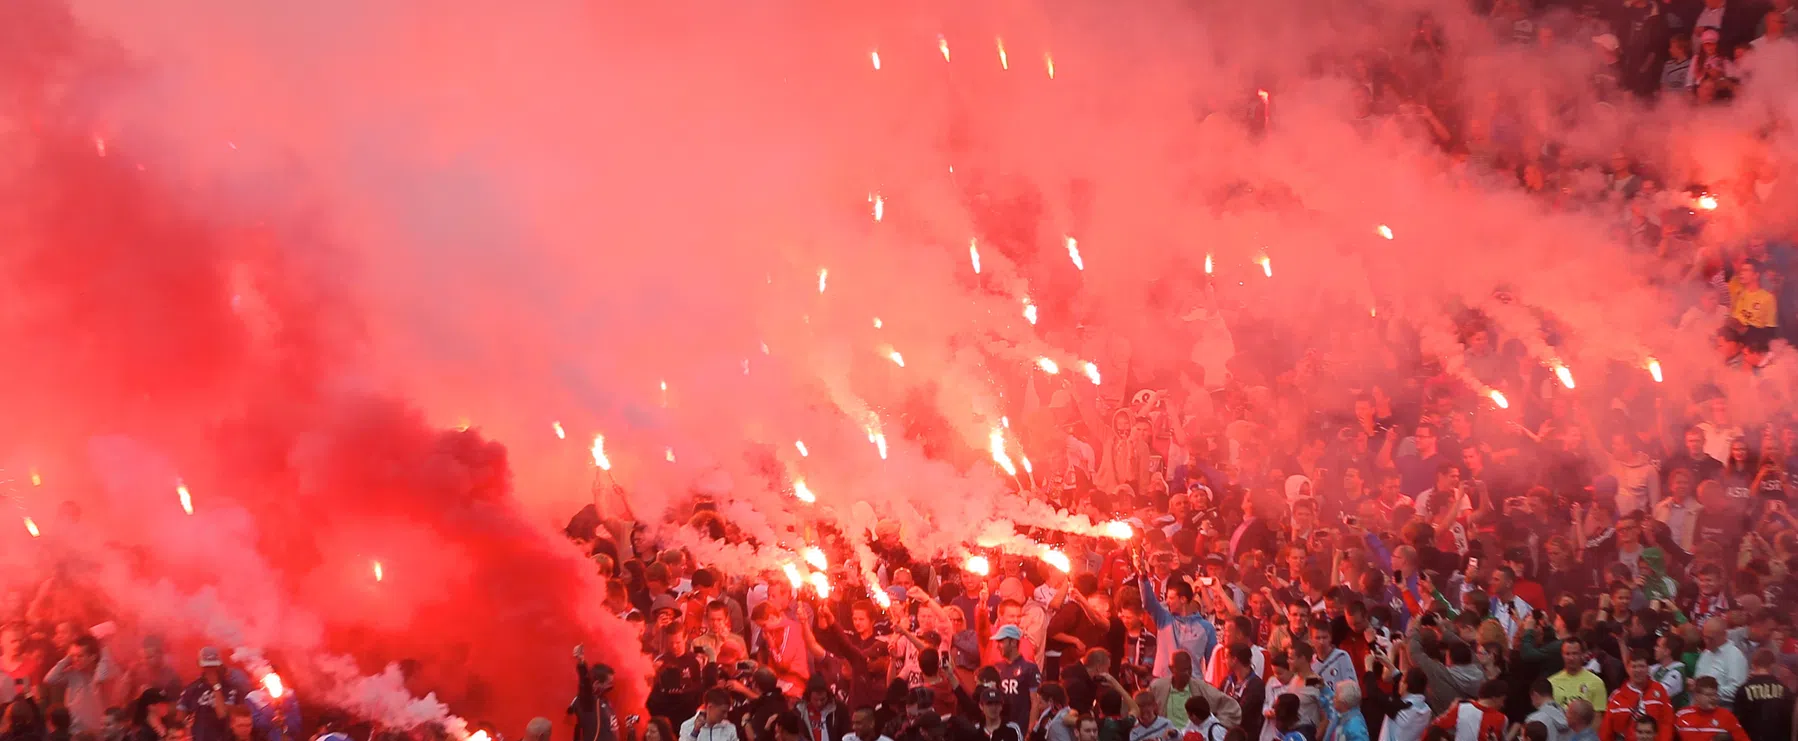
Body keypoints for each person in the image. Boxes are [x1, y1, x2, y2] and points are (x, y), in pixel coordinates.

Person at [42, 635, 114, 735]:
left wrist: (103, 649)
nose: (75, 659)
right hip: (74, 730)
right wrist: (67, 658)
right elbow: (49, 679)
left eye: (80, 656)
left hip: (96, 732)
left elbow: (100, 678)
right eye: (73, 656)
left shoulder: (102, 672)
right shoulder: (72, 673)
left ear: (92, 657)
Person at [179, 647, 247, 741]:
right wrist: (188, 727)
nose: (210, 670)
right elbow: (180, 716)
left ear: (220, 665)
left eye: (213, 666)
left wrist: (216, 686)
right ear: (200, 665)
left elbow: (222, 714)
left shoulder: (230, 688)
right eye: (207, 667)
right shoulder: (191, 689)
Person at [1597, 655, 1670, 741]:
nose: (1638, 670)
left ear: (1648, 669)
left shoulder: (1659, 691)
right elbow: (1606, 730)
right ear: (1627, 669)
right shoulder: (1616, 697)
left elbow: (1667, 723)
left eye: (1642, 666)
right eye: (1634, 666)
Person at [1727, 649, 1788, 740]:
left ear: (1753, 665)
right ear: (1772, 666)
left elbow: (1737, 721)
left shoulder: (1743, 689)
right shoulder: (1784, 689)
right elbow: (1788, 721)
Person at [990, 625, 1042, 731]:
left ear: (1013, 642)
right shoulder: (996, 668)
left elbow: (1035, 701)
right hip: (1000, 728)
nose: (998, 646)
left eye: (1001, 642)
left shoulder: (1030, 668)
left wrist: (1030, 729)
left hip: (1021, 728)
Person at [568, 647, 622, 741]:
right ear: (597, 684)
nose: (611, 687)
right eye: (609, 684)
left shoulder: (604, 701)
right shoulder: (587, 702)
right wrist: (581, 663)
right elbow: (584, 684)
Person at [1692, 620, 1746, 708]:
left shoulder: (1734, 656)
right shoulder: (1705, 653)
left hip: (1721, 713)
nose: (1706, 641)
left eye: (1711, 638)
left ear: (1724, 635)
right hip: (1699, 711)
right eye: (1705, 637)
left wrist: (1708, 692)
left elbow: (1737, 690)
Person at [1671, 677, 1746, 740]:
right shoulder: (1681, 715)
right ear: (1697, 696)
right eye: (1709, 695)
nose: (1713, 698)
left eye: (1715, 694)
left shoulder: (1727, 716)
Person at [1429, 680, 1505, 741]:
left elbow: (1434, 727)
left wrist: (1449, 710)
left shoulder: (1461, 708)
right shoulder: (1502, 719)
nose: (1502, 705)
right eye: (1503, 700)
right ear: (1495, 698)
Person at [1548, 639, 1606, 713]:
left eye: (1575, 653)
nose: (1571, 658)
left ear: (1582, 654)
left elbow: (1598, 716)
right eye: (1567, 654)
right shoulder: (1551, 682)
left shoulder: (1596, 683)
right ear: (1562, 655)